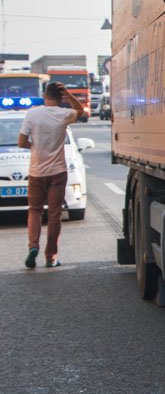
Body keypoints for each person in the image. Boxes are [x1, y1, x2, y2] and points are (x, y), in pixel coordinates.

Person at [18, 81, 83, 268]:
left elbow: (21, 142)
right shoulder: (64, 114)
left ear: (44, 95)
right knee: (55, 214)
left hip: (37, 171)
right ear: (60, 97)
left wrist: (36, 147)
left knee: (35, 210)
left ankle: (33, 246)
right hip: (58, 171)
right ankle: (51, 256)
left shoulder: (32, 113)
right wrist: (69, 94)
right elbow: (81, 111)